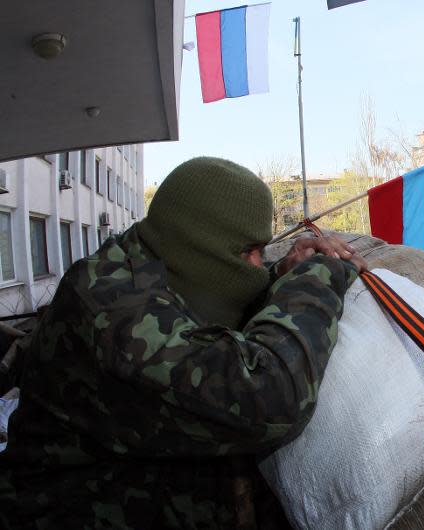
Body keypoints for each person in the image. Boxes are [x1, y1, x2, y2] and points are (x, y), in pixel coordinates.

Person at [0, 157, 368, 528]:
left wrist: (282, 274)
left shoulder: (156, 259)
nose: (258, 265)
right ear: (197, 245)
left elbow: (202, 314)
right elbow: (269, 396)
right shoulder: (109, 308)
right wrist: (316, 280)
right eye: (248, 251)